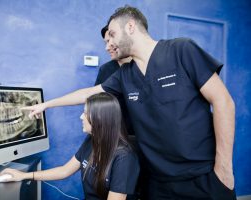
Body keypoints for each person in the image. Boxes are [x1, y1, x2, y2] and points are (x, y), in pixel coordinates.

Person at [25, 5, 236, 199]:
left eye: (112, 35)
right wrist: (46, 104)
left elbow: (223, 102)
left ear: (131, 26)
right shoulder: (125, 74)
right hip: (159, 182)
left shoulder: (182, 50)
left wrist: (224, 167)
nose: (110, 44)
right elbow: (89, 93)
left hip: (203, 176)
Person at [0, 93, 140, 200]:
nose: (80, 117)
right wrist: (24, 176)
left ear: (100, 119)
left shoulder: (124, 158)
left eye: (85, 113)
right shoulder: (92, 140)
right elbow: (64, 171)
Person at [96, 25, 134, 135]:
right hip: (114, 135)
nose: (108, 47)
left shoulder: (141, 66)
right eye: (106, 42)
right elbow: (96, 101)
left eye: (111, 40)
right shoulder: (106, 69)